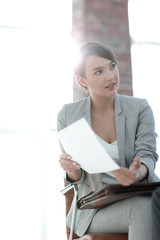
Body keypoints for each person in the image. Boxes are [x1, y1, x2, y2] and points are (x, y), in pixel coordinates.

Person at [57, 41, 159, 240]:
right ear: (82, 80)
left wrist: (137, 172)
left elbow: (148, 153)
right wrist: (71, 169)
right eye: (98, 72)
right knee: (142, 209)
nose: (110, 76)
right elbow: (77, 178)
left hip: (139, 194)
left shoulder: (140, 109)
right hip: (95, 208)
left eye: (112, 66)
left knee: (145, 206)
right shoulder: (68, 115)